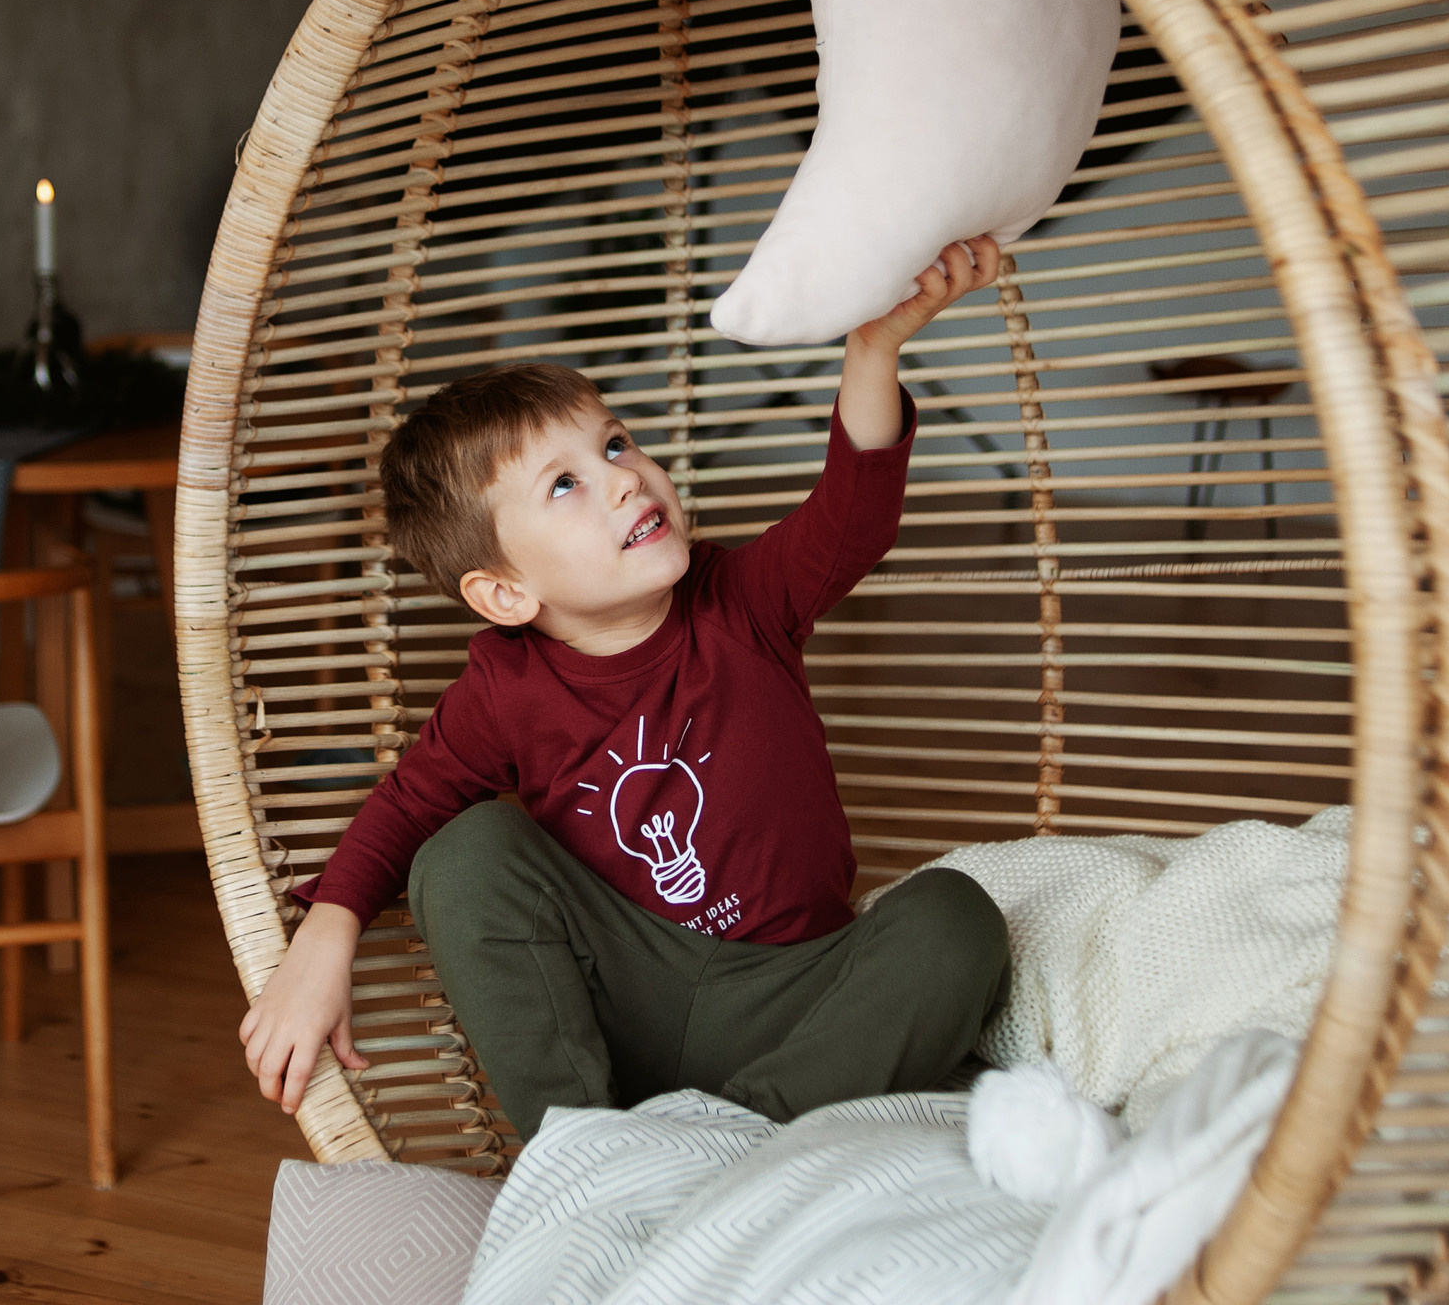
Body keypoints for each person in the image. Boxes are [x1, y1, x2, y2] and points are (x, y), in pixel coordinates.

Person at [237, 235, 1016, 1141]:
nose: (621, 475)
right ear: (504, 594)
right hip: (632, 1003)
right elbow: (406, 809)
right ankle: (582, 1145)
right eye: (565, 483)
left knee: (957, 920)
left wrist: (872, 352)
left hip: (807, 991)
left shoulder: (743, 601)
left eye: (614, 441)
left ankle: (735, 1146)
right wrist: (324, 939)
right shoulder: (506, 686)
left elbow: (854, 517)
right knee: (464, 853)